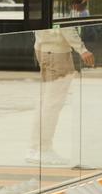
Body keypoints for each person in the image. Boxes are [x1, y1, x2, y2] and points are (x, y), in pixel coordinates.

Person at [28, 27, 94, 165]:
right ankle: (43, 149)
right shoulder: (61, 6)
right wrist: (82, 49)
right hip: (57, 53)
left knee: (46, 103)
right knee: (52, 104)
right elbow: (65, 25)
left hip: (43, 48)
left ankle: (36, 148)